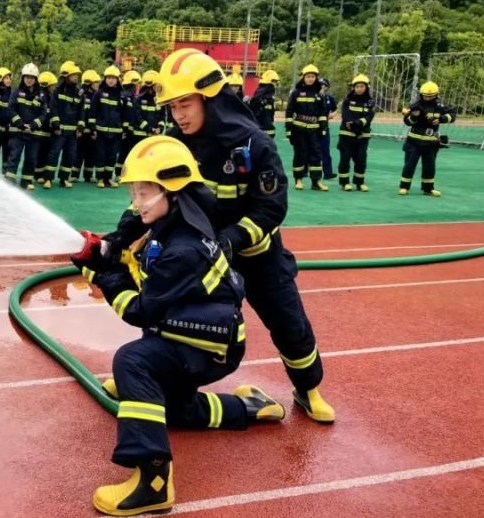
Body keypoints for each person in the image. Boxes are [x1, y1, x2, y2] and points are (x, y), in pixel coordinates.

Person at [104, 49, 335, 424]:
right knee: (168, 314)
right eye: (172, 107)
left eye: (185, 104)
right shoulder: (175, 145)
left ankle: (307, 390)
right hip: (202, 256)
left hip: (257, 257)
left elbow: (271, 207)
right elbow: (151, 194)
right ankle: (146, 379)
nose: (178, 115)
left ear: (210, 98)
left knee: (288, 322)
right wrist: (120, 236)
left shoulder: (254, 144)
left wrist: (230, 240)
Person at [70, 135, 285, 517]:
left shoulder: (184, 249)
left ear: (171, 191)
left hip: (208, 348)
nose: (136, 201)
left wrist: (102, 276)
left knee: (133, 361)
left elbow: (140, 310)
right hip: (197, 337)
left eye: (143, 192)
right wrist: (103, 252)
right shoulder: (171, 220)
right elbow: (132, 247)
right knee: (172, 410)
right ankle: (250, 407)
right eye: (134, 192)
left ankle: (153, 483)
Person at [399, 81, 455, 197]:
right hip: (414, 142)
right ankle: (404, 187)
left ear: (436, 95)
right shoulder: (415, 106)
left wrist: (441, 119)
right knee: (409, 165)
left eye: (431, 96)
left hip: (431, 143)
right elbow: (407, 122)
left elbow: (452, 115)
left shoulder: (439, 106)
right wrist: (414, 116)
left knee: (429, 167)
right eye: (425, 96)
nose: (428, 98)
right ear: (421, 95)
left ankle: (428, 189)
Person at [285, 64, 329, 191]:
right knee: (300, 154)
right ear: (303, 78)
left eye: (313, 77)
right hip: (299, 129)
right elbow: (289, 111)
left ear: (316, 78)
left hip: (314, 130)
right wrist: (289, 129)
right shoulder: (296, 93)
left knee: (316, 155)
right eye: (308, 76)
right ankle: (298, 179)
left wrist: (323, 128)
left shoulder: (319, 94)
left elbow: (322, 113)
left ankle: (316, 182)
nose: (310, 79)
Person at [5, 64, 47, 189]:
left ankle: (26, 182)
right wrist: (20, 124)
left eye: (32, 77)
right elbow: (11, 110)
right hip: (18, 132)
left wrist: (33, 126)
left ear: (36, 79)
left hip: (33, 133)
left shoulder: (41, 95)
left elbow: (44, 114)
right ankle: (9, 181)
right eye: (27, 77)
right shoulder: (16, 92)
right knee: (14, 156)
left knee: (31, 158)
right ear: (23, 78)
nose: (29, 80)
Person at [45, 61, 85, 188]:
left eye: (77, 75)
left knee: (70, 155)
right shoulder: (57, 91)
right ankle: (48, 179)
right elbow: (53, 109)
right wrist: (56, 125)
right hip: (59, 131)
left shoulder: (79, 93)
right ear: (66, 76)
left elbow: (82, 111)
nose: (76, 77)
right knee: (54, 154)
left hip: (72, 133)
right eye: (74, 75)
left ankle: (64, 179)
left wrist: (80, 127)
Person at [337, 74, 376, 192]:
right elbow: (345, 116)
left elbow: (369, 116)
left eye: (362, 86)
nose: (359, 89)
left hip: (362, 136)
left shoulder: (370, 102)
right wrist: (353, 124)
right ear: (353, 87)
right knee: (345, 159)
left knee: (361, 160)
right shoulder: (348, 100)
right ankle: (344, 183)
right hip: (347, 135)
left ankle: (359, 183)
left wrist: (359, 123)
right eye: (357, 86)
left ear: (366, 87)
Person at [90, 65, 124, 188]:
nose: (111, 80)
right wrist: (93, 128)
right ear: (105, 79)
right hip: (101, 131)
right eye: (109, 77)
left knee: (112, 156)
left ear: (117, 80)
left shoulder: (121, 95)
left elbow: (124, 114)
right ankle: (100, 178)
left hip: (116, 132)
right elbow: (93, 112)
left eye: (113, 78)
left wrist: (124, 129)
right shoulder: (98, 94)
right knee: (101, 155)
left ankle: (108, 178)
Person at [117, 70, 142, 177]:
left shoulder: (132, 97)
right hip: (125, 131)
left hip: (130, 131)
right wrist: (124, 130)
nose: (138, 86)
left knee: (127, 152)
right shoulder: (124, 97)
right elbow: (123, 115)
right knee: (124, 152)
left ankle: (123, 174)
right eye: (136, 84)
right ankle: (120, 174)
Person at [77, 69, 101, 182]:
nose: (97, 84)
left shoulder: (97, 96)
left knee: (91, 153)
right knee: (79, 152)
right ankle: (74, 175)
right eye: (95, 82)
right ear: (89, 83)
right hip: (82, 130)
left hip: (92, 130)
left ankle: (88, 175)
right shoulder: (81, 95)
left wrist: (94, 129)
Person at [36, 71, 59, 185]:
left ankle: (42, 175)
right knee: (39, 154)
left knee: (45, 154)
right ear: (46, 85)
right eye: (52, 85)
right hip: (40, 131)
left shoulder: (51, 97)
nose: (54, 87)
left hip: (48, 132)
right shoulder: (40, 97)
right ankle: (38, 175)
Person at [249, 69, 279, 139]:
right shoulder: (265, 95)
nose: (275, 84)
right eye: (275, 82)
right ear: (270, 81)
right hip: (262, 132)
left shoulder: (264, 95)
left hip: (261, 131)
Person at [319, 77, 338, 180]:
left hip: (325, 127)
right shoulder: (312, 97)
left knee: (325, 150)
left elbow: (335, 109)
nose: (322, 87)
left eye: (324, 85)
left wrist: (332, 115)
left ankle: (328, 173)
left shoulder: (329, 98)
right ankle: (304, 172)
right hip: (312, 127)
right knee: (309, 149)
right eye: (320, 84)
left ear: (327, 87)